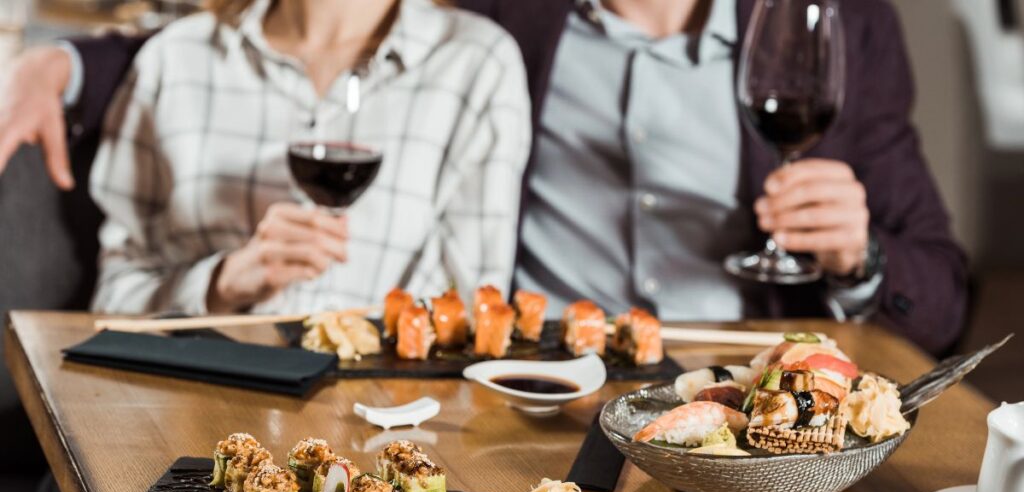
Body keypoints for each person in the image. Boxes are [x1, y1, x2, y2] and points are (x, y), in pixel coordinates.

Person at [0, 0, 967, 355]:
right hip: (532, 384)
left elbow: (941, 303)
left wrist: (859, 258)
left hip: (729, 383)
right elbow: (297, 31)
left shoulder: (832, 25)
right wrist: (62, 60)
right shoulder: (503, 17)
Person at [40, 0, 531, 315]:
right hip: (190, 415)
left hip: (376, 436)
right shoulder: (176, 58)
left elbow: (472, 315)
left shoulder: (476, 64)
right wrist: (222, 284)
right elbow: (113, 303)